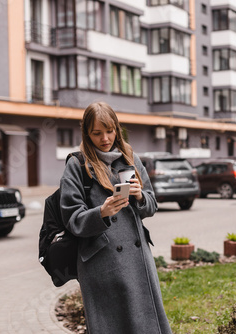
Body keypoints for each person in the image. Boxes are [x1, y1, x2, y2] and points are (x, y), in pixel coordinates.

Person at [59, 101, 172, 334]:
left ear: (117, 129)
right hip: (103, 263)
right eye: (97, 133)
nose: (105, 139)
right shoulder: (77, 164)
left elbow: (151, 205)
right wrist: (102, 212)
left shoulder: (129, 156)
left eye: (110, 131)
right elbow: (72, 218)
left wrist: (140, 196)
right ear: (86, 133)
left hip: (137, 258)